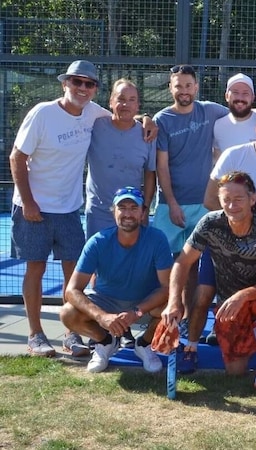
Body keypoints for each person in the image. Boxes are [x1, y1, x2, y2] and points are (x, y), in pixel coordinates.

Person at [9, 60, 154, 358]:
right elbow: (16, 157)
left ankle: (72, 335)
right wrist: (29, 201)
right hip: (33, 208)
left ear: (95, 90)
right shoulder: (42, 113)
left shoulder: (93, 113)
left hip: (70, 209)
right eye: (77, 82)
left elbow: (124, 112)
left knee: (74, 274)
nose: (82, 88)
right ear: (65, 84)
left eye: (88, 84)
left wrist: (146, 117)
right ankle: (36, 335)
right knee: (35, 268)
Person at [178, 106, 256, 373]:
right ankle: (190, 348)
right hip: (221, 243)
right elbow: (209, 200)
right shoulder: (233, 155)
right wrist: (239, 215)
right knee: (203, 294)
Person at [162, 171, 256, 393]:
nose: (232, 205)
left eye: (238, 199)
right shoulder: (209, 223)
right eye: (226, 199)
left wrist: (243, 295)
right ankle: (250, 334)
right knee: (235, 371)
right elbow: (182, 262)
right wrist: (173, 302)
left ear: (252, 199)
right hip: (228, 303)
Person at [60, 187, 172, 373]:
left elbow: (167, 287)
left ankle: (144, 344)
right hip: (106, 302)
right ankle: (105, 342)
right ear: (113, 211)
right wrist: (101, 316)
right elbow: (72, 290)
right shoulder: (98, 241)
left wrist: (136, 312)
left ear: (143, 212)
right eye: (122, 207)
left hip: (144, 302)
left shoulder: (157, 239)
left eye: (133, 208)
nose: (127, 213)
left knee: (174, 307)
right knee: (67, 313)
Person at [153, 64, 228, 334]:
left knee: (200, 265)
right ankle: (163, 319)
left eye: (188, 85)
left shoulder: (211, 110)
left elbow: (243, 116)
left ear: (196, 87)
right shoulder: (162, 120)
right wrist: (171, 202)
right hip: (171, 204)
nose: (183, 91)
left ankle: (194, 322)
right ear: (170, 88)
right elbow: (161, 167)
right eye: (178, 85)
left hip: (205, 204)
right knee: (172, 266)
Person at [85, 79, 156, 237]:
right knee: (99, 260)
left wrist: (144, 207)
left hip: (132, 215)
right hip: (99, 214)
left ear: (138, 105)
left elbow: (150, 174)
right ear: (111, 102)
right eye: (121, 99)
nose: (126, 105)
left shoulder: (148, 134)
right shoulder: (93, 126)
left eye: (132, 100)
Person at [212, 73, 256, 159]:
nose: (240, 98)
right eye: (235, 93)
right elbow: (217, 159)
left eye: (245, 93)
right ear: (226, 96)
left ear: (252, 97)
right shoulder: (218, 126)